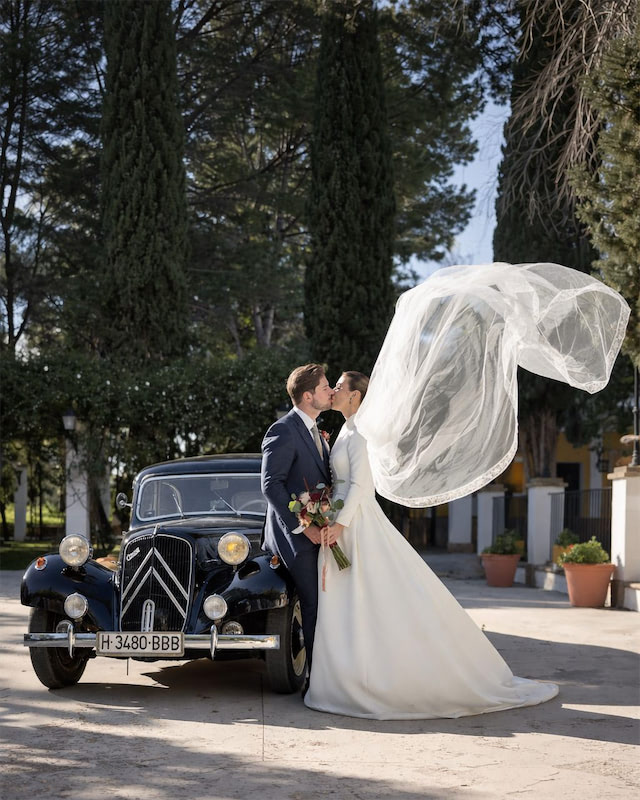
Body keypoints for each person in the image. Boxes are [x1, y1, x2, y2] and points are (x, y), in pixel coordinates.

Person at [303, 370, 559, 720]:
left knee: (370, 596)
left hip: (356, 524)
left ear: (355, 397)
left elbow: (362, 486)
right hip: (340, 522)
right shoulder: (346, 429)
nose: (333, 391)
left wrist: (340, 524)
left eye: (339, 387)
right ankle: (345, 678)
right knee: (350, 600)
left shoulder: (362, 433)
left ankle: (373, 680)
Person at [260, 363, 336, 679]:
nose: (330, 391)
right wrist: (306, 527)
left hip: (318, 531)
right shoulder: (283, 430)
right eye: (324, 388)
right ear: (308, 396)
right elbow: (270, 485)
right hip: (295, 539)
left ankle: (325, 675)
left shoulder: (315, 431)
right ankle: (316, 682)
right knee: (313, 608)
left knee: (324, 607)